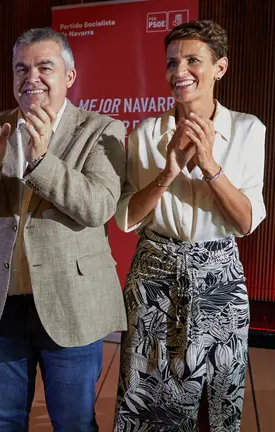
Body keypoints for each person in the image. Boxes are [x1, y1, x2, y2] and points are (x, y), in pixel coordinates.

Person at [0, 27, 126, 431]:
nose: (32, 78)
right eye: (21, 68)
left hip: (70, 300)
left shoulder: (101, 129)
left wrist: (42, 161)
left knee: (73, 422)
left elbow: (98, 206)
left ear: (69, 76)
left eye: (45, 67)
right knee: (4, 418)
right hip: (2, 300)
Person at [114, 20, 266, 431]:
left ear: (220, 68)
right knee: (148, 401)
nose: (179, 71)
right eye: (172, 62)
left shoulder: (248, 130)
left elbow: (246, 221)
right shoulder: (146, 133)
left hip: (220, 281)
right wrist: (167, 173)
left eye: (192, 60)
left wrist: (210, 165)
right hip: (154, 276)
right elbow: (127, 217)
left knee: (218, 402)